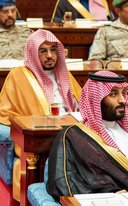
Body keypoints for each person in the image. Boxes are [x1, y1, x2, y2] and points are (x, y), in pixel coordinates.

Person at [46, 71, 128, 200]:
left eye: (123, 93)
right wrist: (110, 197)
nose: (122, 100)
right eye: (113, 94)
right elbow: (62, 183)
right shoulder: (72, 136)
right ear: (95, 99)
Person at [0, 29, 82, 201]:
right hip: (40, 139)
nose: (50, 55)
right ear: (32, 53)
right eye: (43, 51)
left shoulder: (65, 74)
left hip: (72, 133)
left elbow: (82, 106)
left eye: (53, 50)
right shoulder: (18, 75)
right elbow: (4, 114)